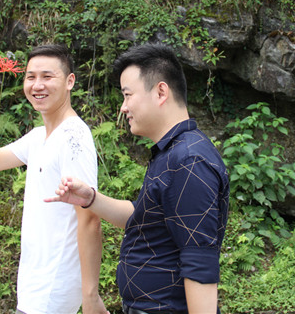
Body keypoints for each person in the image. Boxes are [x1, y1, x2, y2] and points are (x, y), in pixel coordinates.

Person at [45, 42, 230, 314]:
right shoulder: (172, 153)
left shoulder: (189, 161)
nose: (123, 107)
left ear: (161, 92)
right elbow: (143, 217)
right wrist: (91, 199)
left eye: (127, 95)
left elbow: (199, 263)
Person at [0, 44, 106, 314]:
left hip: (55, 283)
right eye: (31, 77)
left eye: (47, 76)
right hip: (34, 281)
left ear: (70, 81)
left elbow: (89, 217)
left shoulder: (74, 137)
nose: (37, 85)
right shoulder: (38, 136)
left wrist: (90, 294)